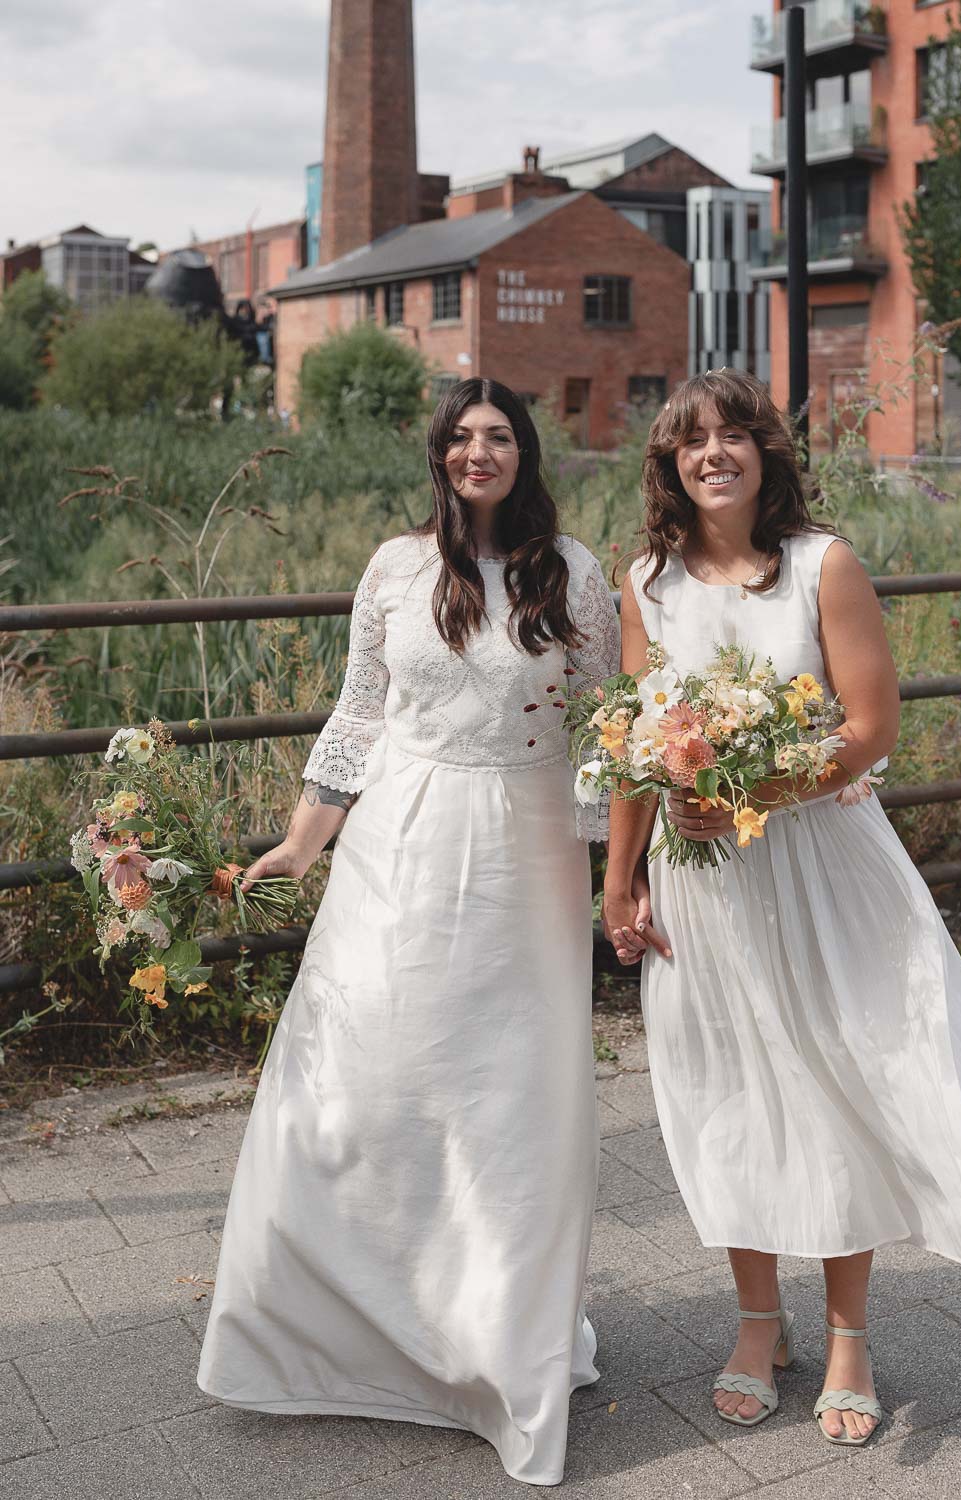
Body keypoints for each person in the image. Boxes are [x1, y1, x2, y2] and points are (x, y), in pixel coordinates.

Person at [198, 378, 620, 1486]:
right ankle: (342, 1332)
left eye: (499, 438)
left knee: (502, 1095)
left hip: (527, 849)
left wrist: (618, 873)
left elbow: (602, 731)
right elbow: (359, 709)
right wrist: (302, 841)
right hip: (398, 839)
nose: (478, 454)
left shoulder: (572, 572)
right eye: (461, 438)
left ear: (525, 455)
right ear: (438, 457)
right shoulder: (394, 567)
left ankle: (490, 1341)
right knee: (367, 1072)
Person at [604, 368, 961, 1447]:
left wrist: (753, 792)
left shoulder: (823, 565)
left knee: (831, 1084)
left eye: (734, 435)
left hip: (819, 864)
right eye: (692, 441)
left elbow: (870, 730)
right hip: (702, 887)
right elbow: (635, 741)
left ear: (766, 454)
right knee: (727, 1091)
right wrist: (619, 876)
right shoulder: (644, 580)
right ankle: (753, 1322)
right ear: (670, 464)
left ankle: (846, 1339)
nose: (713, 454)